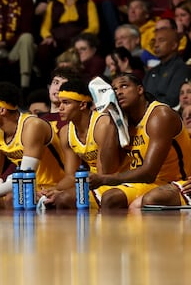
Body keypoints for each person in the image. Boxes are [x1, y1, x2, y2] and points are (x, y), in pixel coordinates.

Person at [89, 73, 191, 210]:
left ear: (140, 90)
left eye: (124, 86)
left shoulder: (160, 115)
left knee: (129, 199)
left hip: (174, 181)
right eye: (114, 90)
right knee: (66, 199)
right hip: (143, 183)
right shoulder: (123, 121)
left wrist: (105, 180)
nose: (118, 92)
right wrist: (114, 120)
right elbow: (108, 169)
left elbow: (149, 173)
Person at [44, 78, 122, 208]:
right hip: (93, 181)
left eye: (66, 103)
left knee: (64, 199)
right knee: (51, 199)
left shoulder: (102, 124)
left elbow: (104, 173)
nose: (60, 108)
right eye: (60, 103)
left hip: (115, 179)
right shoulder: (65, 132)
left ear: (82, 105)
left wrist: (64, 193)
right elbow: (71, 176)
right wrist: (54, 189)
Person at [38, 0, 100, 72]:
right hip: (57, 41)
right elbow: (45, 26)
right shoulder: (54, 4)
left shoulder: (87, 3)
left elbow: (94, 26)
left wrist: (79, 39)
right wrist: (48, 36)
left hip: (77, 39)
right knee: (43, 49)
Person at [143, 22, 190, 107]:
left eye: (161, 40)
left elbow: (172, 100)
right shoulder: (151, 72)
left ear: (174, 45)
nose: (156, 45)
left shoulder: (182, 69)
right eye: (155, 41)